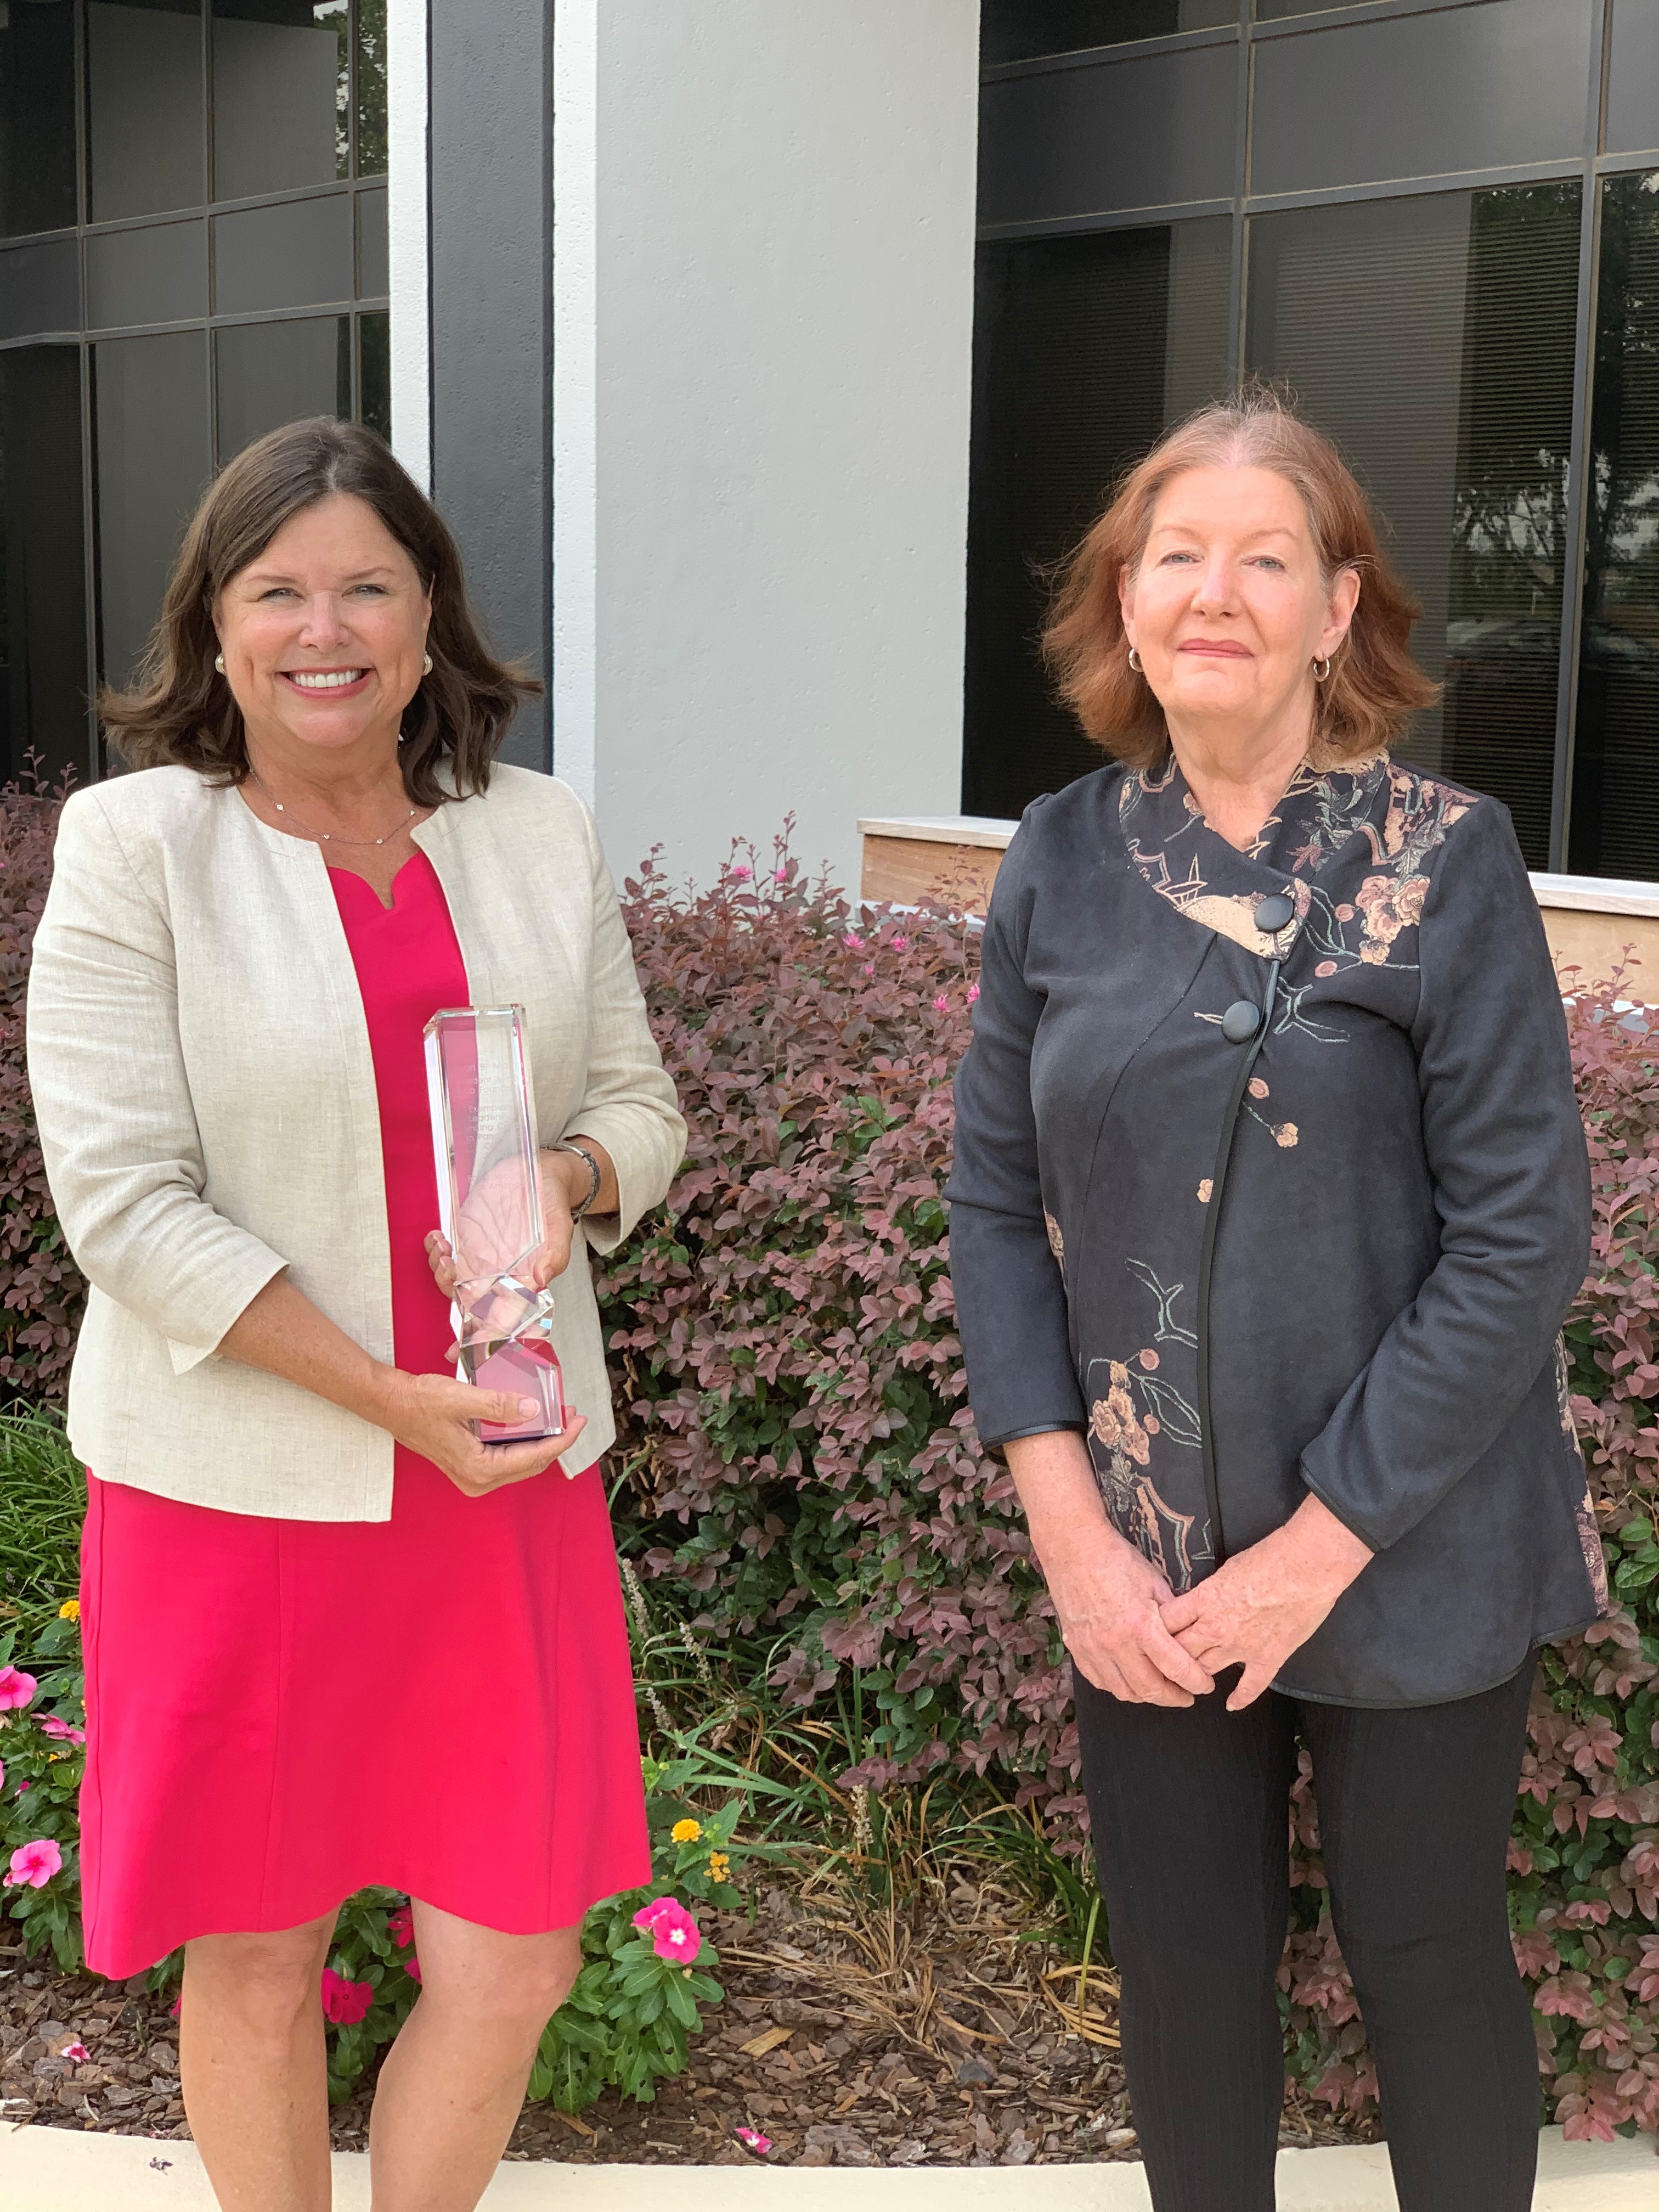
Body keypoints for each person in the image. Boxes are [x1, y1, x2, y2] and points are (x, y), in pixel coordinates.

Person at [945, 388, 1600, 2212]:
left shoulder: (1444, 862)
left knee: (1426, 1956)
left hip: (1412, 1535)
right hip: (1145, 1554)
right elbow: (995, 1207)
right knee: (1183, 1977)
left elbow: (1525, 1234)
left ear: (1336, 607)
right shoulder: (1060, 861)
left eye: (1264, 557)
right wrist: (1072, 1535)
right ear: (1124, 605)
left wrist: (1321, 1546)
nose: (1211, 593)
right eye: (1176, 556)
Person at [26, 416, 686, 2212]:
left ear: (427, 618)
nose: (326, 629)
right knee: (255, 1955)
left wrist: (566, 1185)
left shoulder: (537, 834)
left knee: (517, 1959)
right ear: (215, 625)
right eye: (280, 590)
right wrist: (385, 1396)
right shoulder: (136, 850)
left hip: (505, 1477)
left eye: (368, 587)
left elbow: (642, 1102)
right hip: (245, 1495)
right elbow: (125, 1208)